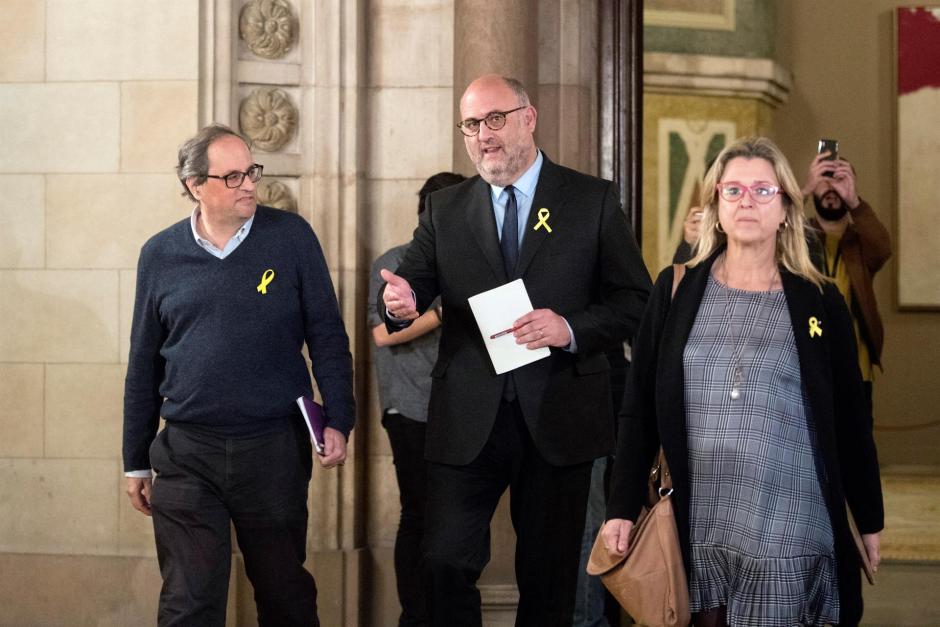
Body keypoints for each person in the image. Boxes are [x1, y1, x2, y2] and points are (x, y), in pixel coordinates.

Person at [380, 74, 651, 626]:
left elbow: (636, 301)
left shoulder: (590, 199)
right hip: (467, 416)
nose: (484, 135)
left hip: (558, 416)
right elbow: (410, 284)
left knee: (549, 582)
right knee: (444, 561)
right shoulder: (445, 208)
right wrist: (400, 301)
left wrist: (569, 327)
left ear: (529, 118)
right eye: (472, 125)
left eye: (495, 119)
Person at [601, 137, 884, 626]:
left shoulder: (820, 302)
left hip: (792, 524)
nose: (746, 201)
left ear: (787, 209)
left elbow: (850, 419)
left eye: (762, 190)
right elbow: (639, 408)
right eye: (732, 191)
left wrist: (869, 518)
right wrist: (621, 506)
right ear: (714, 206)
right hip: (703, 522)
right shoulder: (674, 291)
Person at [123, 123, 355, 627]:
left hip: (273, 447)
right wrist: (135, 460)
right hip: (187, 452)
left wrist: (339, 418)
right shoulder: (159, 254)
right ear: (194, 185)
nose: (249, 184)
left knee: (285, 595)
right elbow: (144, 363)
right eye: (232, 177)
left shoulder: (291, 237)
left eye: (251, 171)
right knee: (189, 602)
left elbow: (328, 336)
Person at [368, 171, 466, 626]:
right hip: (409, 407)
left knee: (458, 523)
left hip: (461, 409)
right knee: (418, 515)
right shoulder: (395, 262)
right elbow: (381, 334)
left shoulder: (471, 261)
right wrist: (442, 312)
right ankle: (416, 617)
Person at [803, 150, 891, 408]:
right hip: (810, 365)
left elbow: (883, 249)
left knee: (858, 447)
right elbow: (773, 235)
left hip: (857, 366)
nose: (832, 187)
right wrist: (804, 190)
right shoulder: (800, 237)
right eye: (824, 179)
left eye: (840, 179)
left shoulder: (860, 241)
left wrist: (855, 202)